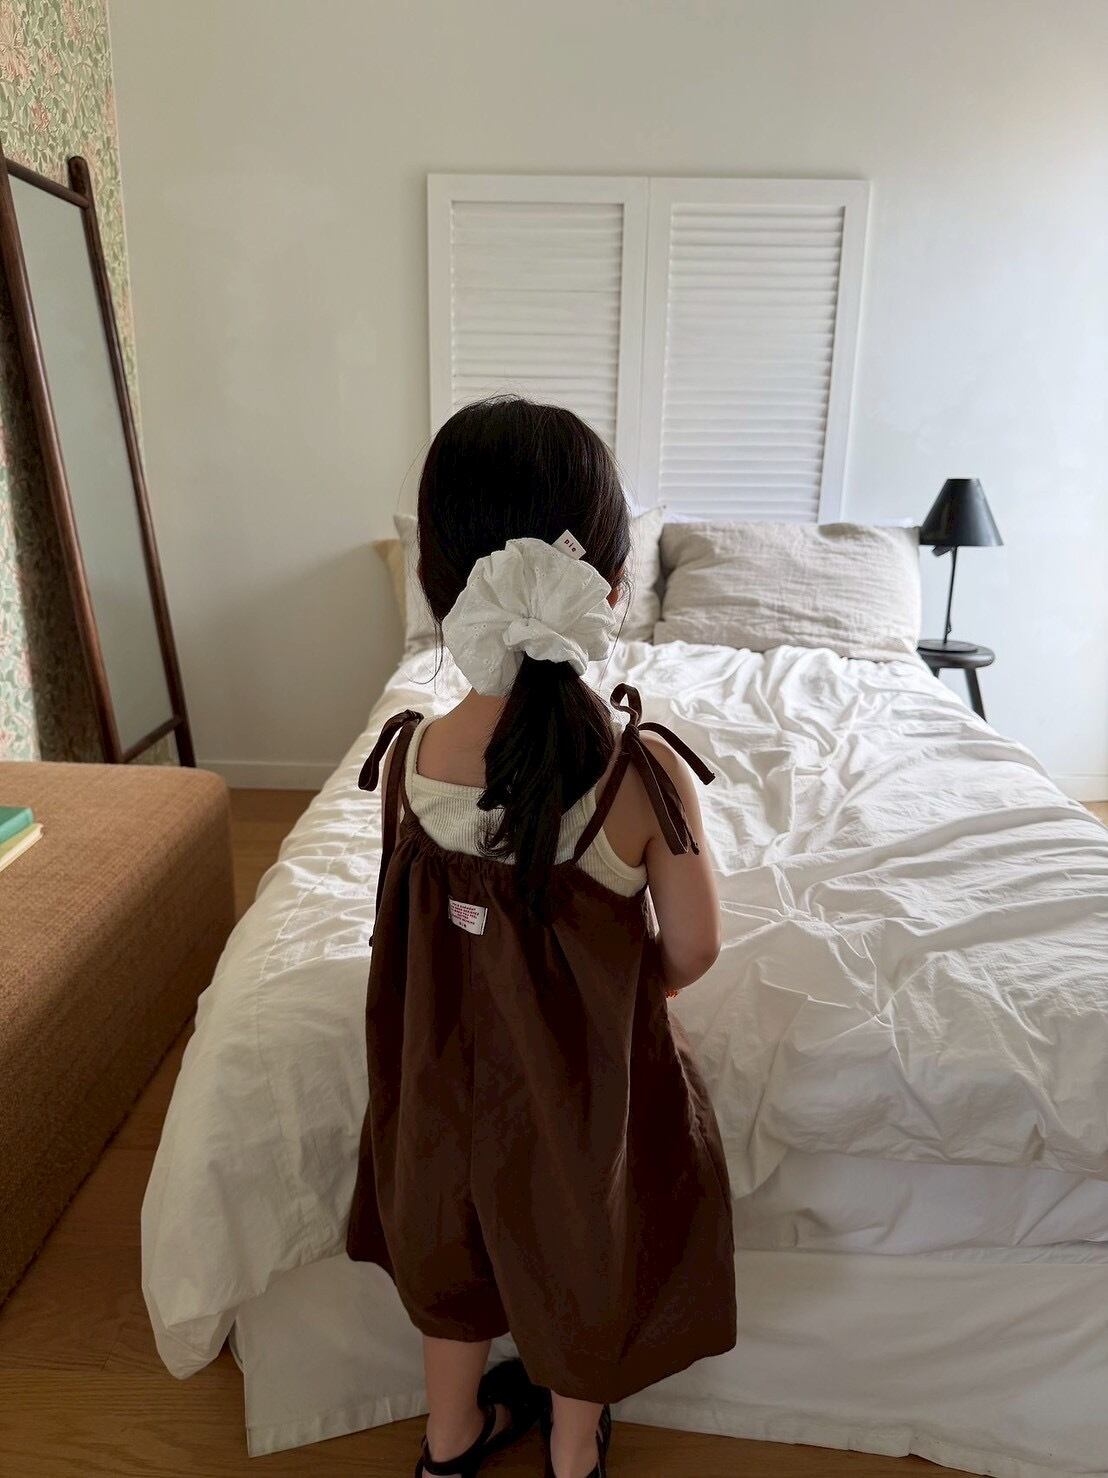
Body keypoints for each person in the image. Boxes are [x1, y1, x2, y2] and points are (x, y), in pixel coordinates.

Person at [346, 397, 736, 1478]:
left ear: (438, 585)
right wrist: (637, 988)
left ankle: (449, 1440)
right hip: (577, 1093)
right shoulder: (641, 776)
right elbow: (695, 947)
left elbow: (402, 922)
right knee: (583, 1242)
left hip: (435, 1082)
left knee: (448, 1243)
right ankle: (572, 1450)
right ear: (610, 583)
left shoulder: (407, 757)